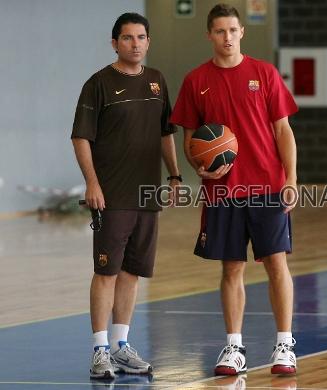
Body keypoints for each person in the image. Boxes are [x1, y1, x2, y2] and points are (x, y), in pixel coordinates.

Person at [170, 3, 298, 376]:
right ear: (209, 35)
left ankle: (285, 344)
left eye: (232, 30)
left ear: (242, 32)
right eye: (220, 31)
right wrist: (199, 167)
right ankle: (233, 348)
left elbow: (284, 131)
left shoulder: (265, 73)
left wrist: (290, 179)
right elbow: (191, 138)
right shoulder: (196, 80)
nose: (227, 37)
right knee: (231, 268)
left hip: (268, 186)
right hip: (222, 191)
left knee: (277, 263)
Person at [71, 13, 181, 379]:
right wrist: (92, 183)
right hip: (112, 195)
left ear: (148, 41)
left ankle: (121, 345)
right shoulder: (98, 84)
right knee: (107, 271)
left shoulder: (157, 82)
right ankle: (99, 350)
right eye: (128, 38)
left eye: (141, 37)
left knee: (132, 271)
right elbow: (81, 137)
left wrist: (176, 174)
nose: (135, 44)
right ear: (114, 42)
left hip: (148, 195)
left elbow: (166, 133)